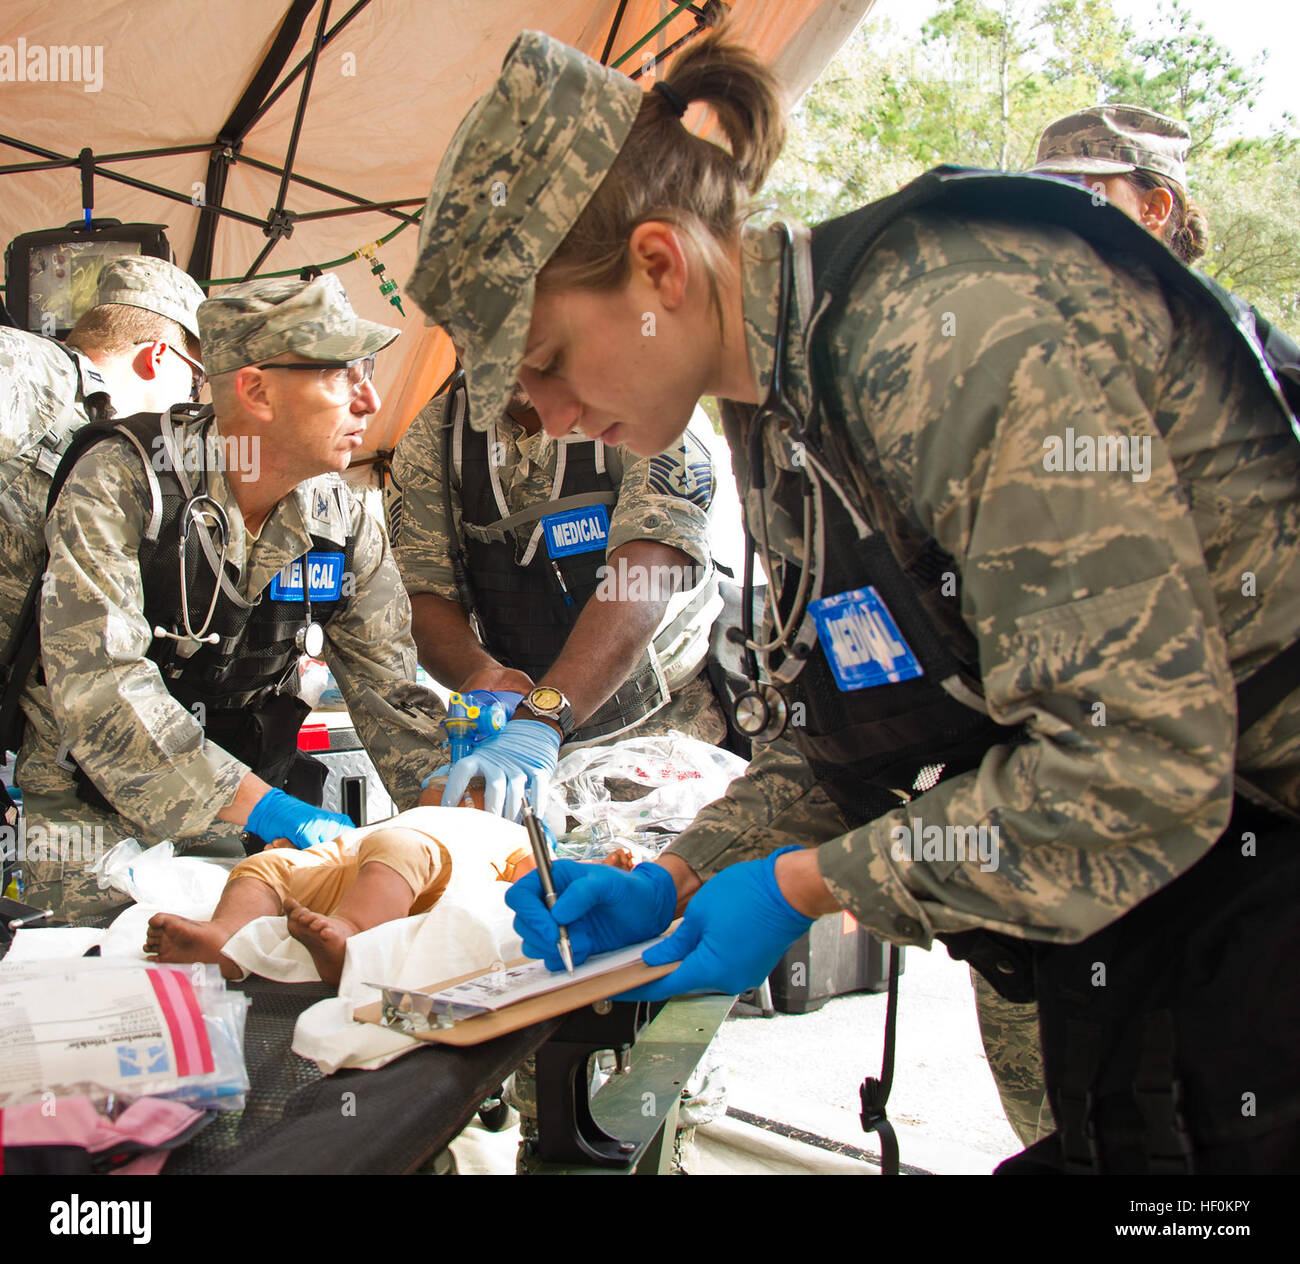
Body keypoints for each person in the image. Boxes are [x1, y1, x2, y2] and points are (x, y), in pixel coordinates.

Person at [405, 29, 1300, 1174]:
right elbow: (848, 740)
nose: (551, 416)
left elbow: (1137, 765)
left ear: (658, 268)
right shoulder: (785, 407)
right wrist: (674, 876)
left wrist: (804, 885)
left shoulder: (951, 332)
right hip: (1173, 958)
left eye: (544, 361)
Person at [19, 274, 449, 920]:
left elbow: (395, 702)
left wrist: (462, 817)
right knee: (124, 982)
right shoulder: (124, 481)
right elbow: (101, 687)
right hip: (89, 834)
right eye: (341, 375)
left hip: (238, 831)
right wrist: (267, 807)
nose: (371, 400)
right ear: (255, 391)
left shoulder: (344, 522)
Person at [387, 375, 727, 816]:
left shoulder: (650, 403)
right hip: (515, 730)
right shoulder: (437, 437)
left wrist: (548, 713)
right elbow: (422, 590)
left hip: (667, 732)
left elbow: (647, 571)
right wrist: (487, 677)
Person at [1, 255, 206, 676]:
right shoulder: (36, 368)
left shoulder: (103, 433)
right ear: (158, 356)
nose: (194, 397)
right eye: (196, 377)